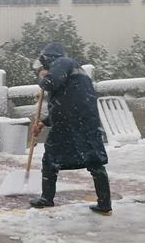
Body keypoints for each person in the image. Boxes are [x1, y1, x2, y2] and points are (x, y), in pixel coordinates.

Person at [30, 42, 111, 215]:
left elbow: (51, 83)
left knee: (51, 158)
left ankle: (47, 198)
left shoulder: (61, 62)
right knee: (93, 160)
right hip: (82, 120)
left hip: (70, 122)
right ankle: (104, 204)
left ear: (49, 57)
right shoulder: (76, 69)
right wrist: (44, 122)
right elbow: (66, 102)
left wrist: (43, 76)